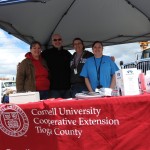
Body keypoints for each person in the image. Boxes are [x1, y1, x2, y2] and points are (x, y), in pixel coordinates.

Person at [42, 34, 72, 98]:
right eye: (55, 40)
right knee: (55, 108)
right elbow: (35, 58)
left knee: (68, 107)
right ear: (52, 42)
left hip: (67, 88)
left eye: (59, 39)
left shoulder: (67, 53)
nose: (57, 41)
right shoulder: (46, 53)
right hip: (53, 89)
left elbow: (75, 65)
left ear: (62, 41)